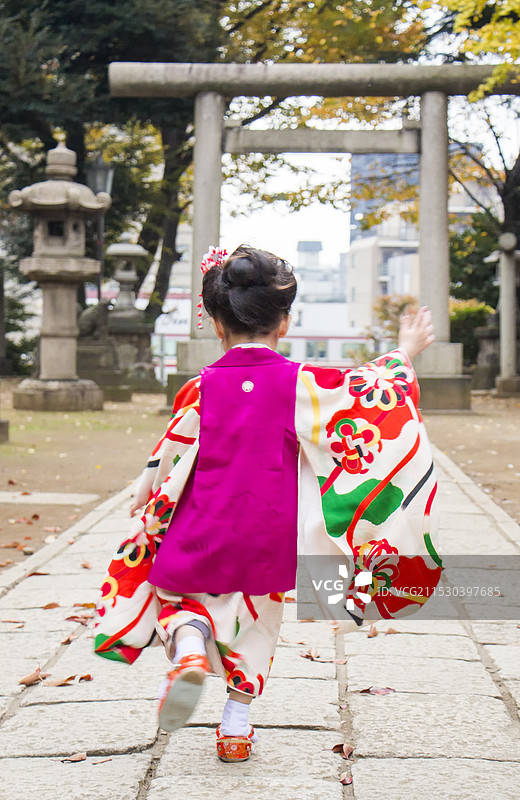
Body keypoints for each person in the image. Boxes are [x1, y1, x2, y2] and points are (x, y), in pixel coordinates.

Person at [94, 244, 441, 763]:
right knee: (254, 625)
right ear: (284, 321)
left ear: (214, 323)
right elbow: (367, 392)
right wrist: (406, 351)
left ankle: (189, 649)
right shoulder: (300, 384)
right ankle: (235, 728)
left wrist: (146, 495)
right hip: (269, 529)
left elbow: (169, 453)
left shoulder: (200, 386)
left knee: (177, 599)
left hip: (201, 521)